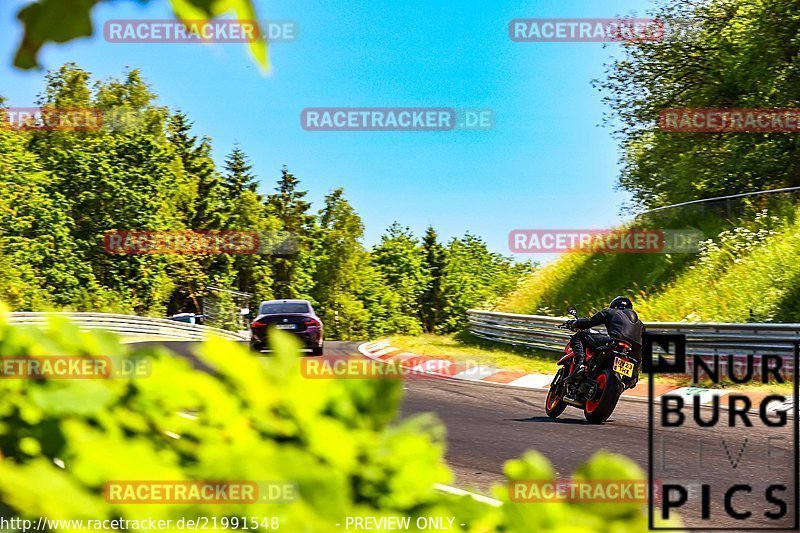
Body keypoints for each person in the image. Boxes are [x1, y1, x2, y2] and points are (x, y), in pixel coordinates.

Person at [564, 296, 644, 385]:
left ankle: (580, 366)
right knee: (631, 379)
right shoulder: (640, 324)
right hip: (633, 353)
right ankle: (630, 379)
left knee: (579, 336)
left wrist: (573, 324)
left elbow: (589, 322)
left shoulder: (610, 312)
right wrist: (635, 375)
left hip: (615, 342)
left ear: (614, 306)